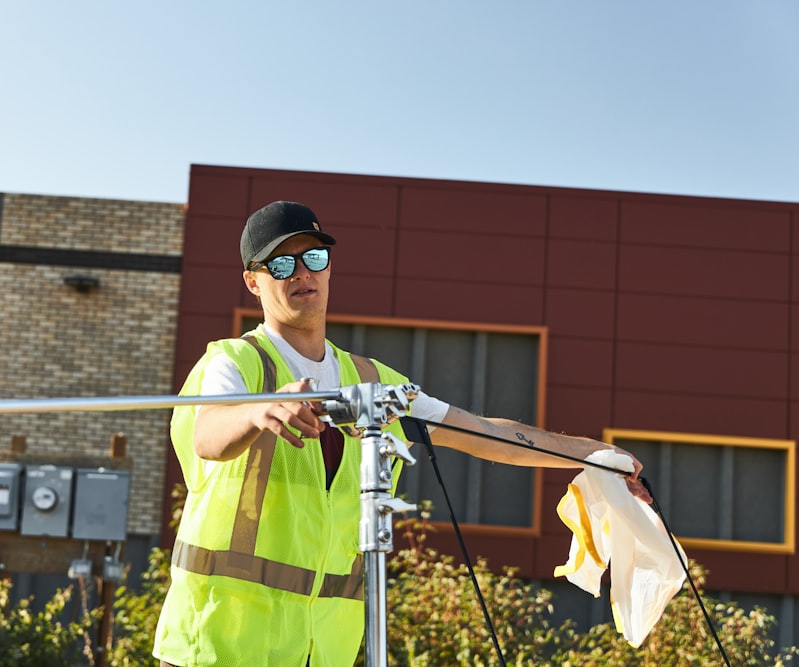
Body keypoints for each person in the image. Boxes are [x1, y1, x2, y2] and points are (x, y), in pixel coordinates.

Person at [153, 200, 651, 667]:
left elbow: (481, 433)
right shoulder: (232, 362)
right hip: (218, 643)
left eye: (314, 257)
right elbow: (208, 435)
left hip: (322, 649)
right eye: (281, 265)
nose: (302, 273)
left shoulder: (374, 383)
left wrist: (594, 453)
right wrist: (259, 410)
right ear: (253, 283)